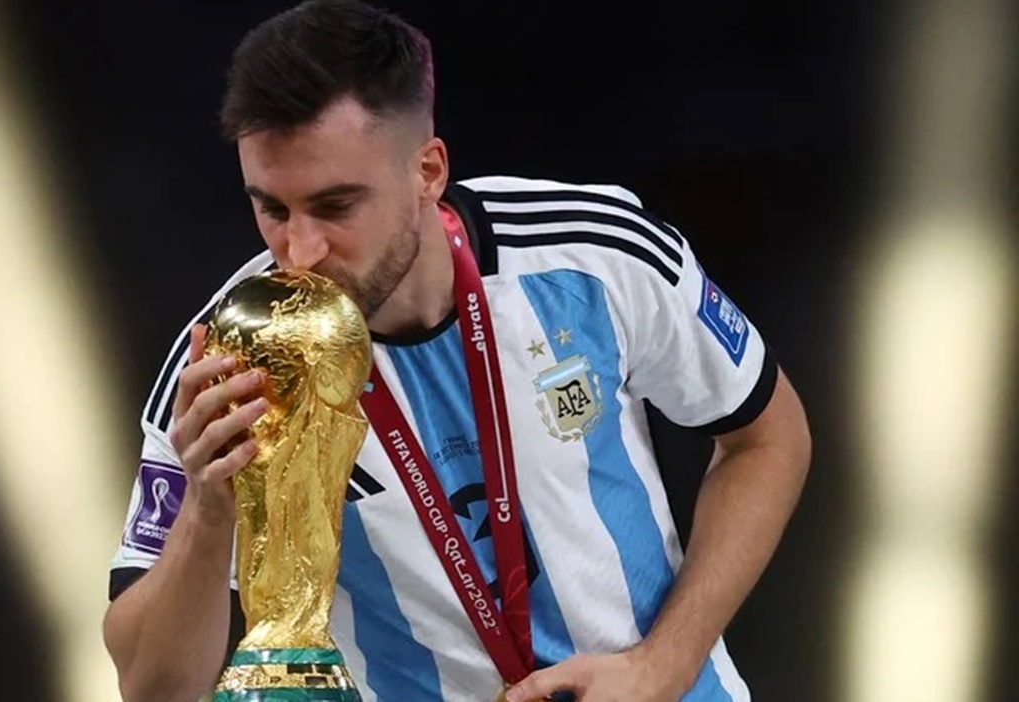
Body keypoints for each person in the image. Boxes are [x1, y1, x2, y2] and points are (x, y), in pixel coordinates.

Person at [102, 1, 812, 701]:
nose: (300, 251)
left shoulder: (594, 254)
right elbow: (152, 687)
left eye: (336, 206)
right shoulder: (229, 359)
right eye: (272, 208)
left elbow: (768, 437)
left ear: (429, 170)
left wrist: (665, 664)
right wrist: (207, 510)